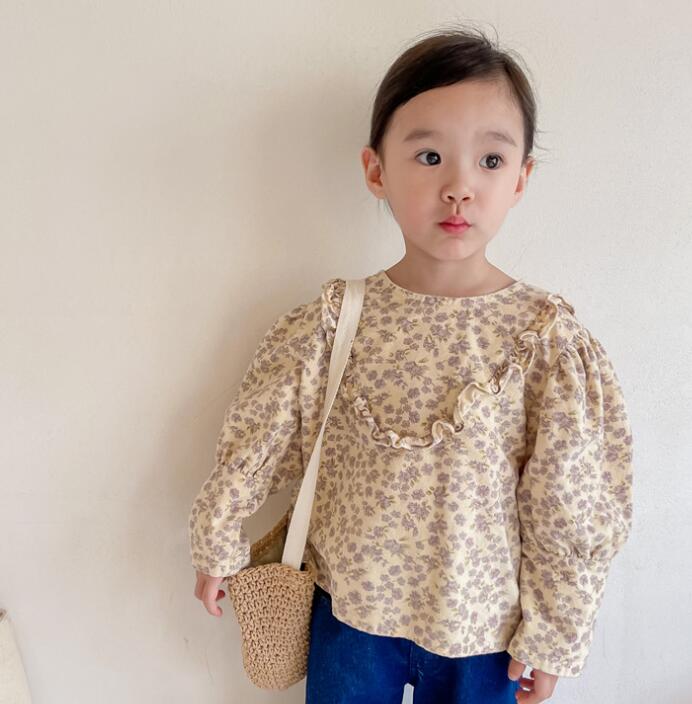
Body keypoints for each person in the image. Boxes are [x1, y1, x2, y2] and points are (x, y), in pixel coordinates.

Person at [188, 24, 634, 704]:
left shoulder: (546, 341)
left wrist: (554, 632)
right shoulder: (336, 321)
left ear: (521, 178)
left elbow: (566, 502)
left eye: (490, 160)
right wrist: (219, 536)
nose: (459, 187)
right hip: (349, 612)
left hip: (484, 630)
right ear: (377, 171)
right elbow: (264, 436)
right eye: (429, 156)